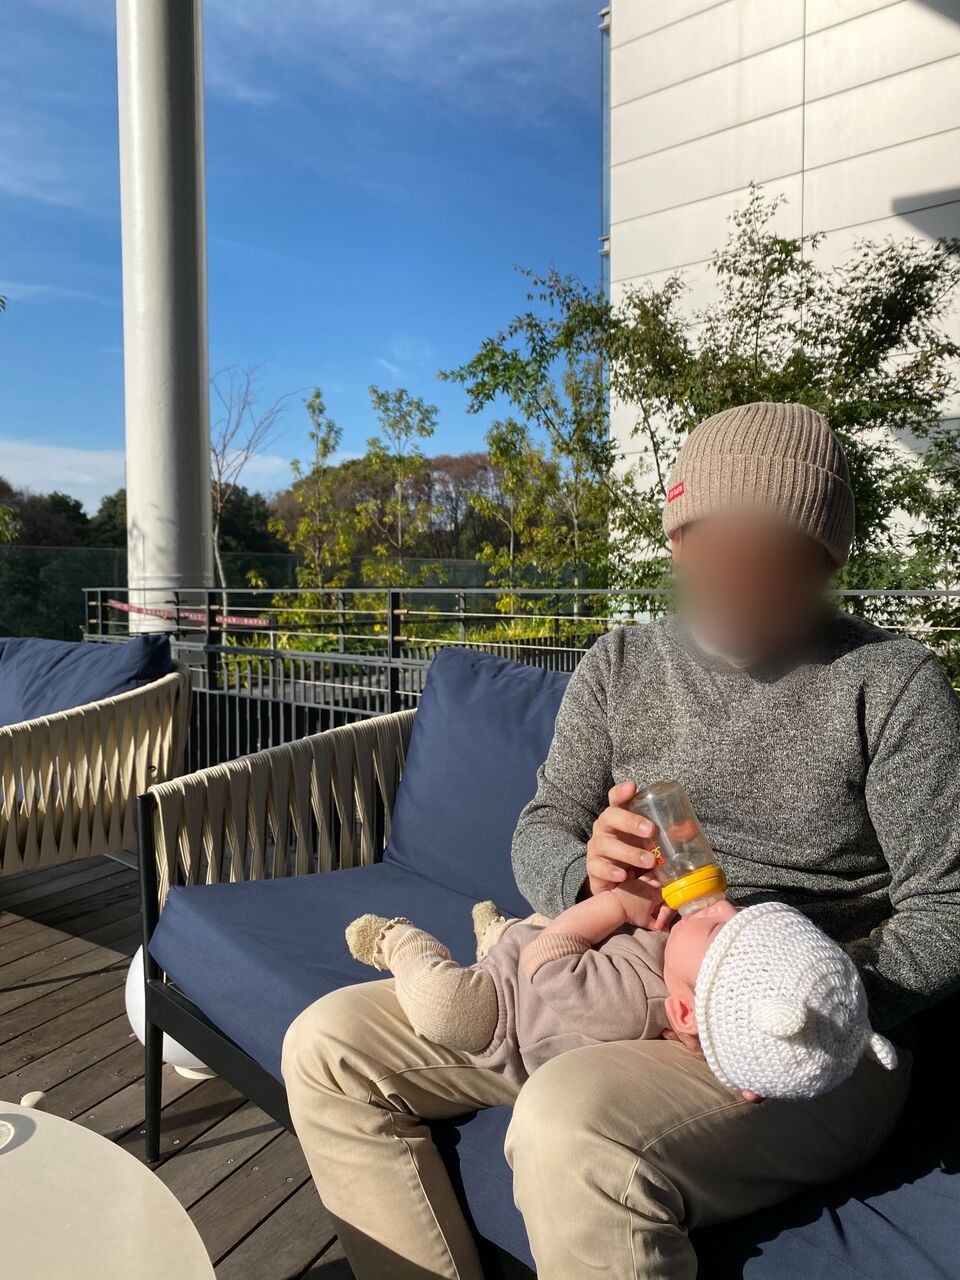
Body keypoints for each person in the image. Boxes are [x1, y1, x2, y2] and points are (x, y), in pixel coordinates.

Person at [282, 402, 960, 1279]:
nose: (741, 582)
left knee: (569, 1130)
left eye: (777, 558)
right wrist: (585, 880)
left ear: (828, 562)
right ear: (677, 542)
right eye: (718, 548)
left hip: (806, 1034)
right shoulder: (621, 664)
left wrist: (783, 997)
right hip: (604, 974)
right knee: (328, 1046)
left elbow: (947, 910)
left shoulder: (890, 684)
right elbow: (542, 827)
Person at [344, 889, 899, 1101]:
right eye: (737, 913)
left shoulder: (634, 1001)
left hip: (506, 1004)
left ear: (682, 1011)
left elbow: (545, 961)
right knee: (530, 929)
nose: (722, 905)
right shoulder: (688, 986)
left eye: (715, 928)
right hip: (549, 954)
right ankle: (496, 931)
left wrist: (616, 905)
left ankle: (397, 940)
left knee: (445, 1008)